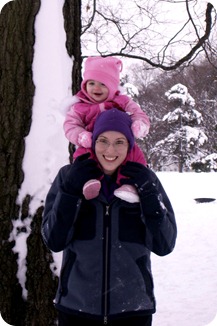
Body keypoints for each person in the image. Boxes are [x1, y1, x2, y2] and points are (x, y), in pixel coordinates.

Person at [42, 108, 177, 326]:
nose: (110, 149)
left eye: (120, 141)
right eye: (103, 140)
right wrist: (70, 191)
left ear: (130, 144)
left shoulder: (145, 179)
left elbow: (165, 244)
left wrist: (148, 194)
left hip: (133, 311)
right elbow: (54, 240)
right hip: (76, 310)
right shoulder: (70, 177)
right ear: (93, 142)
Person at [63, 56, 150, 203]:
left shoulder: (122, 101)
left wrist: (139, 125)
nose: (96, 88)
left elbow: (138, 114)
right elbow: (70, 125)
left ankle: (129, 185)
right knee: (83, 158)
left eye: (103, 84)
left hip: (119, 141)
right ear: (85, 85)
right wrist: (81, 136)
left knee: (135, 156)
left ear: (112, 86)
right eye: (91, 83)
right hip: (92, 142)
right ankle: (89, 181)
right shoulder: (80, 107)